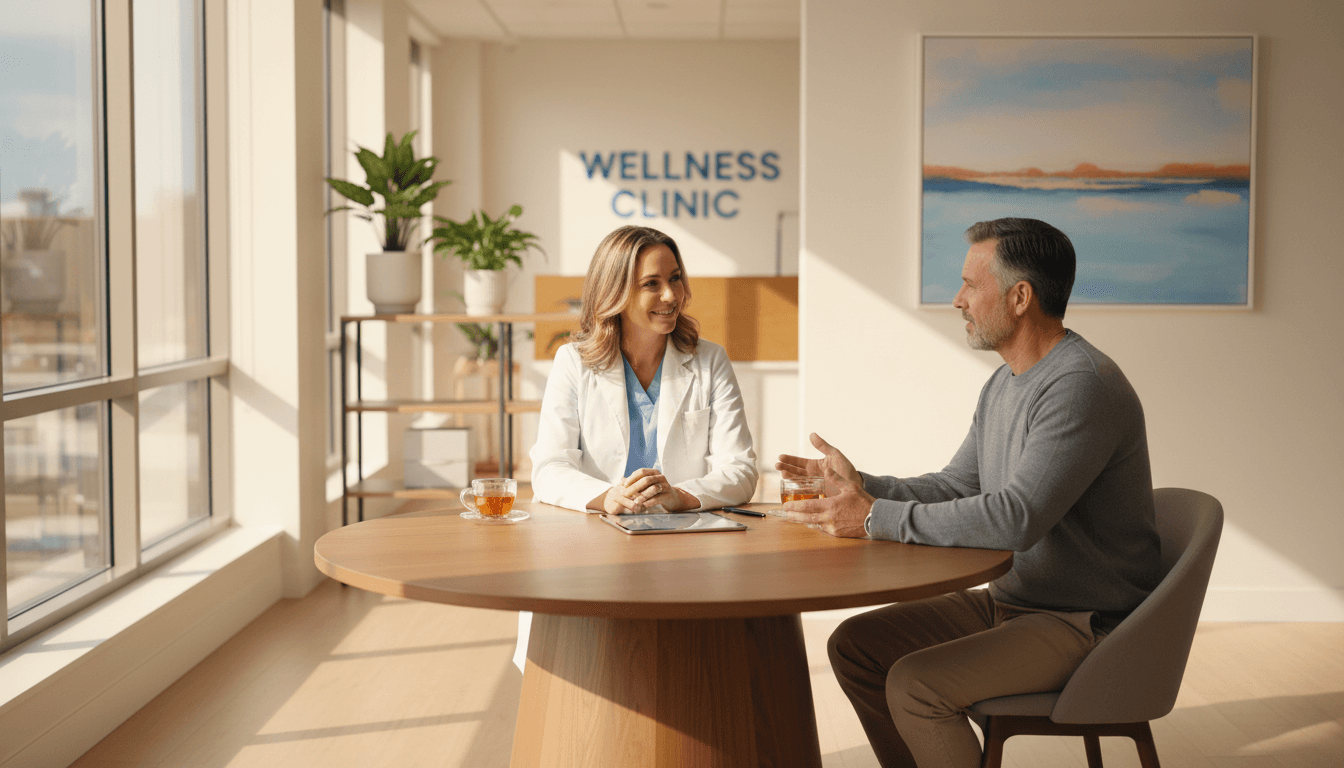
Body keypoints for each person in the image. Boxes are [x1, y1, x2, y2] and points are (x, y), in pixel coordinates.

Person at [777, 218, 1162, 768]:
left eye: (970, 285)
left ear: (1020, 296)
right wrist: (864, 487)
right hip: (1014, 601)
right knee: (856, 648)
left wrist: (872, 518)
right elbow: (957, 484)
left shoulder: (1081, 386)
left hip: (1082, 623)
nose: (957, 300)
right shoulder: (1006, 381)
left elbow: (1016, 519)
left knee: (916, 685)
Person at [530, 224, 758, 514]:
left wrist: (681, 497)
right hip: (599, 534)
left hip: (683, 535)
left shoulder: (710, 360)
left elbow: (740, 468)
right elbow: (549, 468)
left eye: (675, 279)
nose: (671, 296)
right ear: (616, 291)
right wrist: (608, 497)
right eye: (652, 283)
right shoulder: (573, 362)